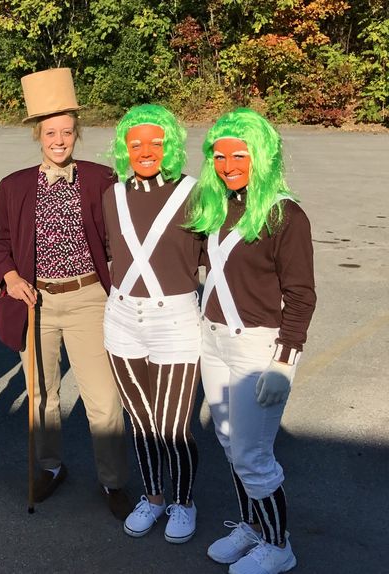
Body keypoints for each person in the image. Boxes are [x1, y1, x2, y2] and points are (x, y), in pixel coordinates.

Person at [0, 68, 131, 520]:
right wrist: (9, 277)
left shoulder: (100, 178)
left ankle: (112, 480)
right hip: (37, 303)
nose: (60, 139)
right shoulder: (14, 186)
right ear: (38, 136)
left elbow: (129, 226)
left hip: (89, 298)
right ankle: (49, 468)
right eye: (51, 132)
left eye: (68, 132)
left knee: (103, 398)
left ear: (76, 136)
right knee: (42, 394)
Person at [186, 108, 316, 574]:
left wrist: (284, 361)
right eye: (218, 155)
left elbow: (301, 296)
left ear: (260, 156)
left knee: (252, 454)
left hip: (258, 347)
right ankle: (252, 525)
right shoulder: (215, 206)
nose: (227, 164)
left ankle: (279, 546)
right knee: (226, 439)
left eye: (239, 154)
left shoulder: (285, 214)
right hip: (213, 340)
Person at [103, 105, 202, 542]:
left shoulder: (197, 192)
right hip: (122, 318)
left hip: (175, 320)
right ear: (125, 148)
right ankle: (154, 495)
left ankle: (183, 501)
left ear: (171, 146)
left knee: (173, 426)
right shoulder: (113, 195)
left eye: (156, 142)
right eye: (136, 143)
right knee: (140, 420)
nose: (146, 151)